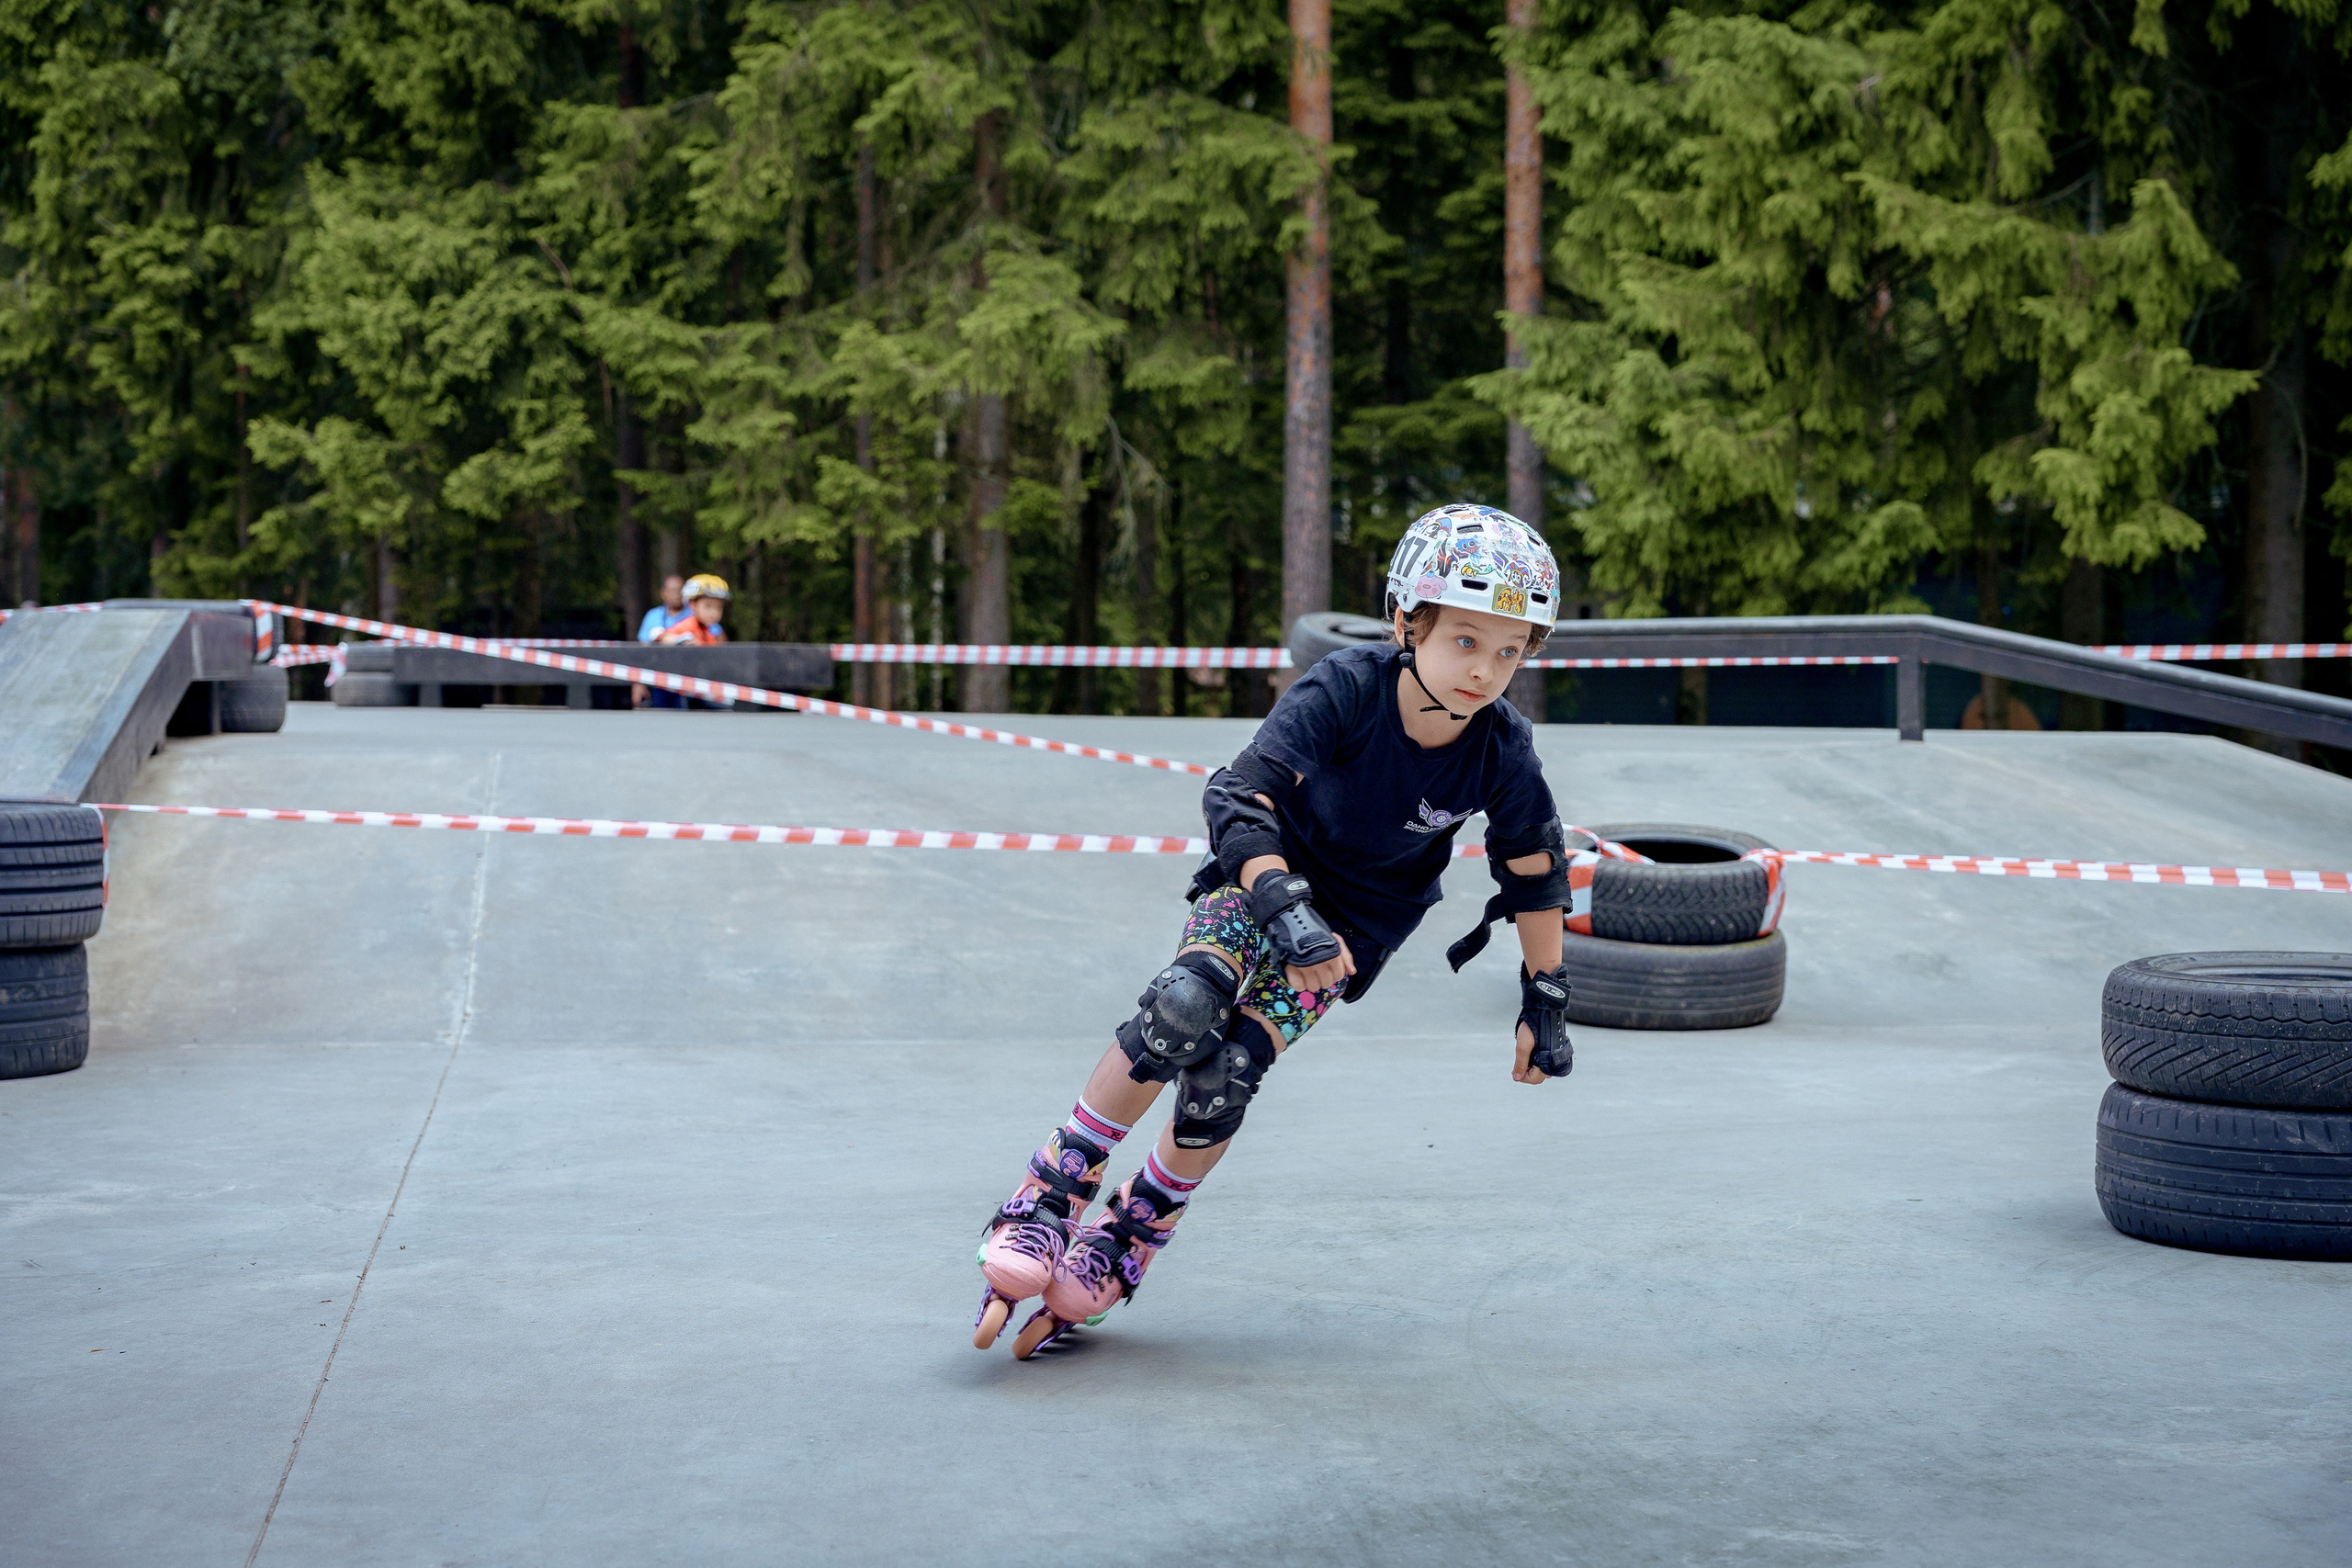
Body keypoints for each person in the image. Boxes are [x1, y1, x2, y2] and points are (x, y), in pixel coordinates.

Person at [971, 503, 1577, 1359]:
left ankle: (1133, 1229)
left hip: (1352, 933)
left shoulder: (1501, 748)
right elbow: (1238, 795)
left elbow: (1532, 865)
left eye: (1510, 650)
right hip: (1262, 884)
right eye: (1467, 641)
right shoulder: (1347, 688)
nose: (1487, 670)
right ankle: (1049, 1194)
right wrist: (1284, 906)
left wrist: (1544, 994)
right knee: (1182, 1010)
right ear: (1408, 623)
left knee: (1226, 1072)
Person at [647, 573, 730, 708]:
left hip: (697, 689)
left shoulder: (708, 631)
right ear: (692, 605)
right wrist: (680, 640)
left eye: (718, 607)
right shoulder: (689, 625)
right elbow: (660, 636)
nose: (714, 612)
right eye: (708, 606)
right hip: (675, 692)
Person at [633, 576, 690, 707]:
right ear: (663, 594)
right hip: (659, 682)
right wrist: (638, 684)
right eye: (673, 591)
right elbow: (642, 653)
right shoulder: (653, 616)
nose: (677, 595)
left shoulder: (696, 615)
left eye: (681, 590)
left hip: (688, 682)